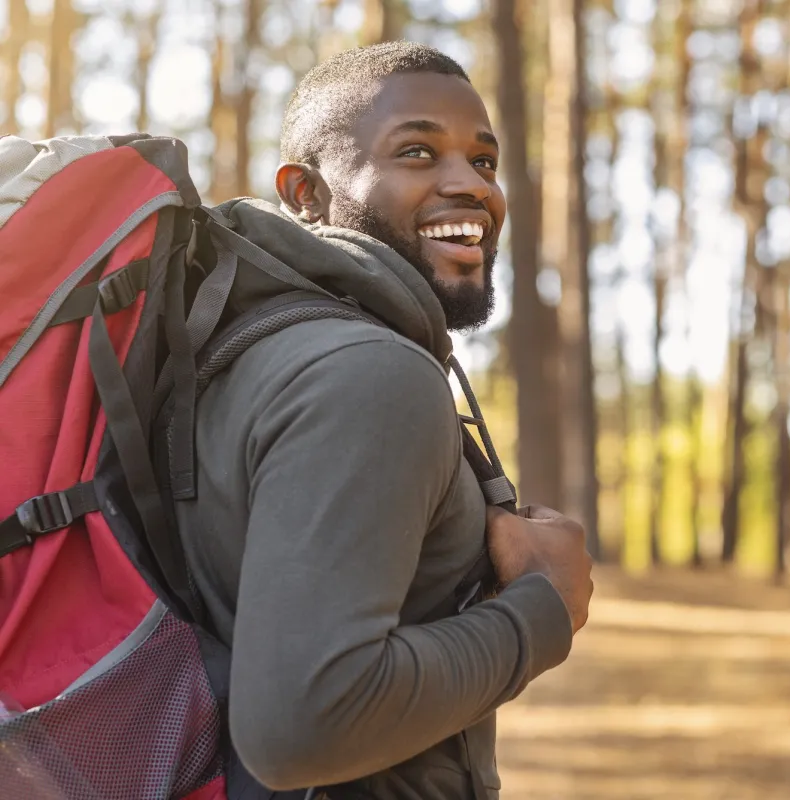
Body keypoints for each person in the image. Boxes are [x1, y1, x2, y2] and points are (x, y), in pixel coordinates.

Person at [176, 41, 593, 800]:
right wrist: (546, 605)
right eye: (417, 151)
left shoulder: (251, 352)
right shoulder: (368, 375)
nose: (470, 186)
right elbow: (302, 726)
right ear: (306, 192)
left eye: (485, 162)